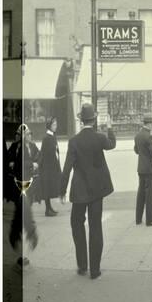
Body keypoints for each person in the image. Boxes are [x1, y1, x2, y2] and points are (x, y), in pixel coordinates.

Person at [60, 103, 116, 279]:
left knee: (76, 224)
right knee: (95, 227)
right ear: (94, 119)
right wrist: (110, 127)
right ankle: (95, 269)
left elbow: (67, 168)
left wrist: (62, 190)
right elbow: (111, 144)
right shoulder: (99, 138)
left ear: (81, 119)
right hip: (97, 190)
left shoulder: (74, 141)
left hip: (79, 191)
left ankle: (82, 264)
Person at [7, 124, 39, 266]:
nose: (25, 137)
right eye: (21, 134)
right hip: (18, 185)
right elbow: (8, 161)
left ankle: (18, 237)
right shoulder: (15, 147)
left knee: (22, 215)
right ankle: (23, 240)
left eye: (27, 134)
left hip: (30, 185)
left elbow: (39, 159)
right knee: (23, 214)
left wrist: (35, 164)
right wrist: (11, 164)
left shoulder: (32, 147)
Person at [134, 112, 152, 226]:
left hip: (140, 168)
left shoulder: (138, 135)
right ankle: (150, 219)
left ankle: (138, 219)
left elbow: (136, 150)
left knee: (141, 193)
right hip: (149, 169)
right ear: (149, 124)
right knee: (150, 194)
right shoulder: (148, 136)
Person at [39, 116, 61, 217]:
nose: (56, 126)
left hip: (51, 166)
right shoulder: (47, 138)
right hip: (47, 167)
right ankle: (47, 210)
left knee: (49, 187)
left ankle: (49, 208)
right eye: (54, 124)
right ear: (49, 126)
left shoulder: (52, 136)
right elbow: (46, 153)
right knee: (47, 188)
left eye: (56, 124)